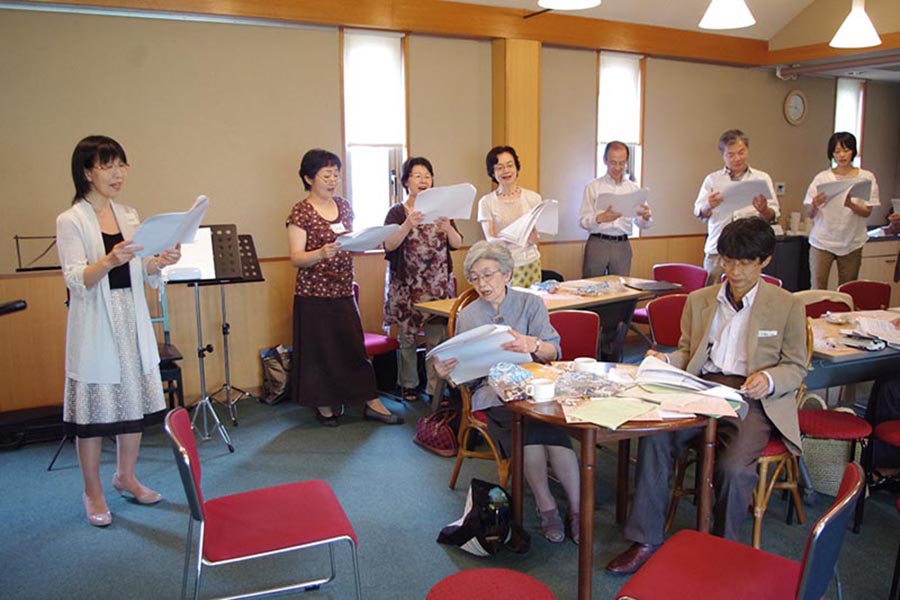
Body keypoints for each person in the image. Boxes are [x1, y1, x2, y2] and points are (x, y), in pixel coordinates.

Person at [605, 217, 807, 574]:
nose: (734, 272)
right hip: (701, 386)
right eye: (728, 261)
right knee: (654, 438)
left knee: (733, 467)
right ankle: (646, 539)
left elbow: (796, 366)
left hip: (750, 397)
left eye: (744, 263)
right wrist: (667, 360)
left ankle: (722, 549)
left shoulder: (786, 305)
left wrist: (769, 379)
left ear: (765, 261)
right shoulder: (699, 300)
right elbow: (688, 351)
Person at [56, 135, 182, 527]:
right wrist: (109, 260)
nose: (118, 174)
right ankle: (92, 490)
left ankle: (126, 476)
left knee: (132, 403)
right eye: (107, 166)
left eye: (121, 165)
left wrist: (160, 262)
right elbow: (76, 278)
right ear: (87, 172)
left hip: (131, 318)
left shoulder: (128, 215)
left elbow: (141, 269)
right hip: (95, 321)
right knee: (93, 413)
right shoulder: (71, 220)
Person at [433, 241, 581, 543]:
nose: (481, 284)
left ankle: (578, 511)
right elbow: (463, 377)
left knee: (550, 431)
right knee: (529, 431)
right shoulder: (468, 315)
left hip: (536, 388)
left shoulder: (530, 304)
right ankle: (547, 508)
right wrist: (448, 374)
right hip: (494, 394)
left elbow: (554, 351)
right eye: (474, 278)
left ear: (507, 274)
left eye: (488, 275)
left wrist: (532, 344)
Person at [286, 148, 402, 427]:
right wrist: (320, 253)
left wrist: (365, 241)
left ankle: (371, 403)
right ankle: (324, 406)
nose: (332, 180)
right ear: (308, 178)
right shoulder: (301, 211)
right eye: (326, 175)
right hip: (313, 294)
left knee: (353, 349)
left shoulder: (344, 206)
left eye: (336, 175)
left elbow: (351, 241)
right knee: (319, 352)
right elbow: (296, 258)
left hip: (343, 290)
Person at [382, 157, 463, 402]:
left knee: (436, 339)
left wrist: (448, 227)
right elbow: (389, 245)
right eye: (417, 176)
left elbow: (457, 243)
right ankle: (408, 384)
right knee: (407, 338)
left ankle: (434, 388)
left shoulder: (442, 211)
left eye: (427, 176)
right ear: (406, 181)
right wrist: (407, 224)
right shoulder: (397, 212)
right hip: (406, 286)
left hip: (437, 286)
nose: (423, 180)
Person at [694, 129, 779, 285]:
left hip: (750, 249)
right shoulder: (713, 180)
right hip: (718, 249)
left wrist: (764, 209)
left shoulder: (761, 178)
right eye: (731, 155)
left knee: (749, 294)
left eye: (741, 152)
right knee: (713, 294)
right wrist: (709, 205)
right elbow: (699, 212)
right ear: (723, 155)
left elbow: (773, 215)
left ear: (747, 150)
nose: (737, 158)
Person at [804, 131, 881, 289]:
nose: (842, 155)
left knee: (848, 288)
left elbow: (867, 212)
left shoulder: (866, 177)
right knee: (817, 287)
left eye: (846, 150)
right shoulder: (822, 178)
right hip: (822, 240)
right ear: (831, 154)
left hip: (852, 241)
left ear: (853, 151)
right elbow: (810, 214)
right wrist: (815, 204)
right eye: (837, 151)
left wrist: (851, 204)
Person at [579, 141, 652, 277]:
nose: (618, 168)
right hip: (598, 242)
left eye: (622, 163)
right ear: (605, 160)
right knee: (591, 284)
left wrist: (646, 217)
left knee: (622, 286)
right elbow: (582, 221)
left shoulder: (633, 188)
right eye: (613, 162)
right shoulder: (593, 187)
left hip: (622, 244)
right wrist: (599, 218)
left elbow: (642, 223)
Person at [477, 146, 544, 287]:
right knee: (506, 300)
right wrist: (508, 239)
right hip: (502, 265)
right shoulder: (486, 202)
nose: (506, 171)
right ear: (492, 172)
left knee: (531, 300)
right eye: (499, 168)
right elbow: (490, 238)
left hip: (530, 262)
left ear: (516, 167)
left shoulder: (534, 198)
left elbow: (536, 237)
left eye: (510, 165)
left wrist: (533, 237)